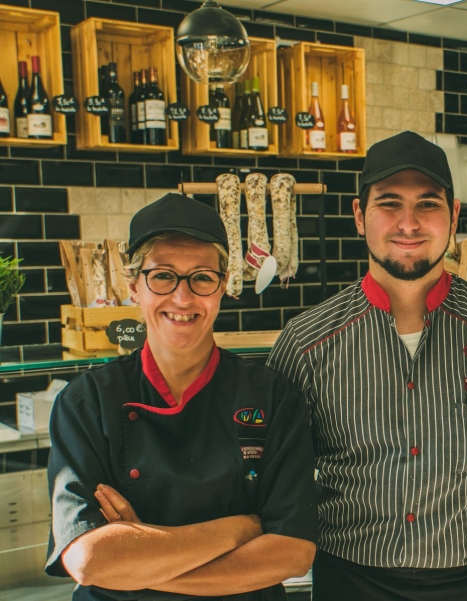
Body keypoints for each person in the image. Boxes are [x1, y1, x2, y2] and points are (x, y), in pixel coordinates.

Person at [267, 131, 467, 600]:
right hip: (351, 583)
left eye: (428, 204)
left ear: (453, 217)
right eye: (389, 203)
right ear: (359, 216)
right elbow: (276, 481)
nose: (408, 223)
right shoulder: (307, 341)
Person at [45, 193, 317, 600]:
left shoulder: (273, 396)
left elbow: (291, 554)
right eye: (163, 276)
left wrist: (136, 559)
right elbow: (89, 560)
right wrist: (242, 527)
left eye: (202, 277)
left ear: (223, 286)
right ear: (133, 285)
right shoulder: (87, 402)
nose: (183, 298)